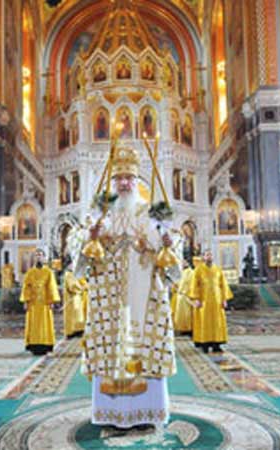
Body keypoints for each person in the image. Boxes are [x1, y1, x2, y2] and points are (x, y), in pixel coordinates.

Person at [75, 146, 179, 429]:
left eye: (128, 178)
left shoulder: (149, 212)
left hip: (144, 288)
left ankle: (148, 412)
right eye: (119, 177)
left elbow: (168, 249)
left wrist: (168, 243)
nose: (123, 182)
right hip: (108, 294)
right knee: (111, 344)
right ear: (113, 182)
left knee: (144, 343)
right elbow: (82, 250)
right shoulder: (101, 214)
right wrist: (91, 237)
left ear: (136, 182)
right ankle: (111, 414)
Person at [189, 249, 233, 353]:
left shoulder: (218, 270)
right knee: (205, 322)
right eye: (207, 255)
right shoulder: (198, 270)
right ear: (203, 257)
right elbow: (194, 285)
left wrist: (224, 299)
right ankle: (205, 344)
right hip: (204, 300)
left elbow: (223, 285)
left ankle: (217, 344)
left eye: (210, 255)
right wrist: (196, 299)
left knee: (217, 322)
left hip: (217, 300)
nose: (209, 257)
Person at [20, 248, 60, 355]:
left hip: (44, 302)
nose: (38, 257)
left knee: (45, 324)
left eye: (40, 255)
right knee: (33, 324)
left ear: (44, 257)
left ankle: (46, 345)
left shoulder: (48, 272)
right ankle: (33, 345)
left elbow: (51, 287)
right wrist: (25, 301)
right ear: (34, 258)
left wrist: (52, 301)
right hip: (33, 303)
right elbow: (26, 287)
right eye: (37, 255)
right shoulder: (30, 272)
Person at [62, 265, 88, 338]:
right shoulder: (68, 274)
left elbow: (83, 282)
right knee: (72, 316)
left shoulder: (76, 274)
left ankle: (79, 330)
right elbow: (72, 287)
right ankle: (71, 332)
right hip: (72, 298)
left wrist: (85, 286)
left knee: (78, 315)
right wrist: (82, 288)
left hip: (78, 297)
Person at [171, 259, 195, 334]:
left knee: (187, 314)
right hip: (180, 296)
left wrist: (186, 293)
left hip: (186, 296)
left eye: (184, 262)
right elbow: (178, 283)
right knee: (180, 315)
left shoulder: (191, 272)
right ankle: (182, 329)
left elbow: (191, 284)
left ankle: (188, 330)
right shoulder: (182, 272)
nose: (182, 263)